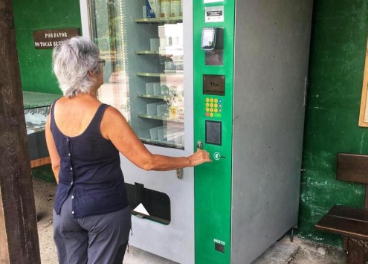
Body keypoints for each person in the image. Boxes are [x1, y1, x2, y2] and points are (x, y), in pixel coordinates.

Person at [45, 36, 211, 264]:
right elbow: (147, 162)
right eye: (101, 63)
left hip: (64, 210)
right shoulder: (106, 116)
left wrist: (72, 197)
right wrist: (190, 160)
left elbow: (56, 165)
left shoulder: (54, 109)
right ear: (92, 72)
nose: (104, 68)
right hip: (104, 212)